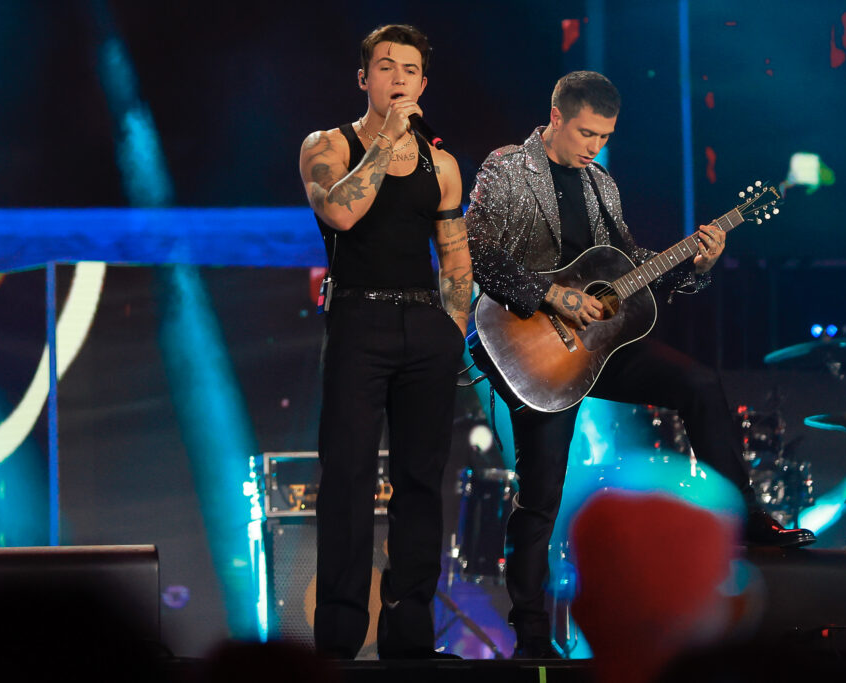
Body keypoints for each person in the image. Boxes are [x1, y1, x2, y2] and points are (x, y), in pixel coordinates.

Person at [465, 70, 815, 658]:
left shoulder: (601, 183)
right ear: (556, 117)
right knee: (542, 493)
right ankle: (530, 632)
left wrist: (696, 265)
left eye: (605, 136)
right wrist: (553, 296)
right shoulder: (507, 168)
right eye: (586, 133)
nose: (595, 147)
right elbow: (477, 252)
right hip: (533, 348)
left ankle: (745, 518)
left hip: (602, 346)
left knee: (699, 382)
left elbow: (631, 269)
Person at [298, 24, 472, 659]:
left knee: (421, 481)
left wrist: (454, 332)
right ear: (363, 77)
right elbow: (341, 211)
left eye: (410, 70)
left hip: (426, 326)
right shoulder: (328, 145)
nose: (398, 78)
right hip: (358, 321)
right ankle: (340, 637)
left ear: (424, 83)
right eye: (385, 67)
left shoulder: (441, 164)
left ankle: (410, 634)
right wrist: (386, 141)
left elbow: (455, 257)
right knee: (347, 477)